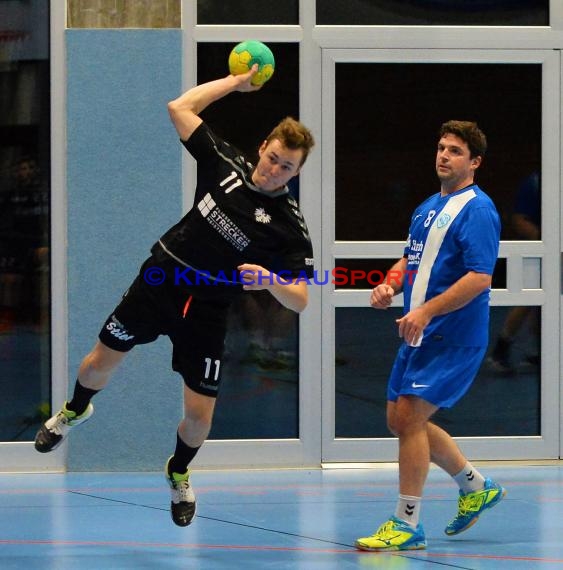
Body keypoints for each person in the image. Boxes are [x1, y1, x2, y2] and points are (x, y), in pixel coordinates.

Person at [34, 65, 315, 527]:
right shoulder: (224, 163)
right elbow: (179, 108)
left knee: (200, 417)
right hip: (161, 280)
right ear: (263, 147)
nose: (274, 170)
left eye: (287, 167)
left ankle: (179, 470)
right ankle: (74, 410)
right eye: (273, 157)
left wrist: (269, 280)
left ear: (298, 171)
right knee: (97, 364)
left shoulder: (288, 224)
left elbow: (302, 298)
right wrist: (234, 84)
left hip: (207, 308)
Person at [355, 121, 504, 552]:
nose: (444, 156)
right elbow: (410, 259)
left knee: (411, 419)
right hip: (418, 334)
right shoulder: (425, 208)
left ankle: (407, 523)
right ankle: (476, 486)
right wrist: (389, 285)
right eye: (441, 147)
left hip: (452, 335)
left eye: (455, 151)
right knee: (399, 421)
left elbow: (479, 277)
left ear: (474, 162)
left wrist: (425, 311)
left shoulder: (478, 209)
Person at [488, 171, 540, 373]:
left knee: (547, 303)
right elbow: (519, 220)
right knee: (528, 299)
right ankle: (501, 350)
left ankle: (542, 350)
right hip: (539, 251)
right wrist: (549, 242)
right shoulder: (535, 182)